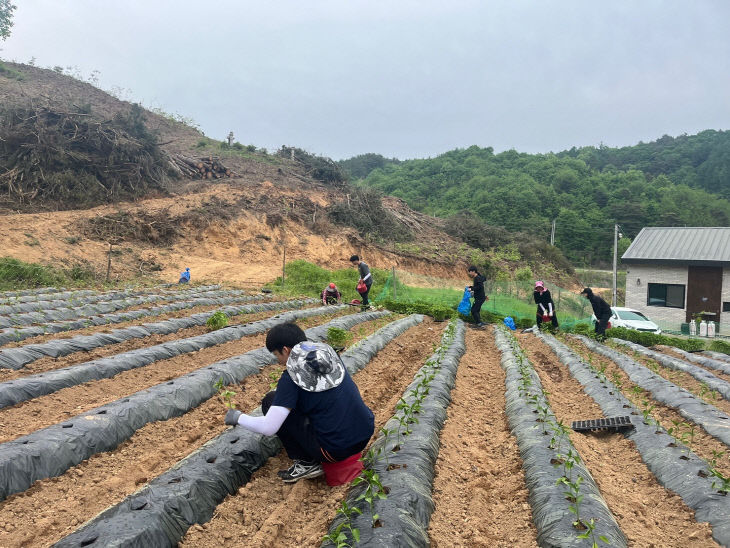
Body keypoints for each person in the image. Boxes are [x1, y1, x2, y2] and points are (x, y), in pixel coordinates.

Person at [224, 323, 374, 483]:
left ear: (286, 350)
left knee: (271, 400)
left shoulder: (291, 378)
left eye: (277, 355)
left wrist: (238, 417)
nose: (279, 361)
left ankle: (306, 462)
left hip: (335, 450)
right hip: (365, 431)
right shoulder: (327, 354)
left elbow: (268, 427)